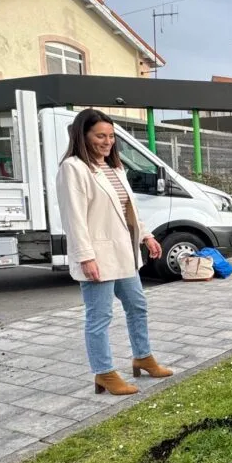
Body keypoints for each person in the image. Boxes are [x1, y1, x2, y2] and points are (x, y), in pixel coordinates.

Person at [56, 109, 172, 396]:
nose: (107, 142)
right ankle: (104, 372)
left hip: (123, 254)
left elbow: (127, 210)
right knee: (100, 317)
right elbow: (74, 218)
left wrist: (146, 236)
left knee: (137, 305)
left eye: (110, 136)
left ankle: (143, 357)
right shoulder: (73, 168)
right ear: (82, 136)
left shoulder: (115, 167)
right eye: (100, 136)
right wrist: (85, 257)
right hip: (97, 256)